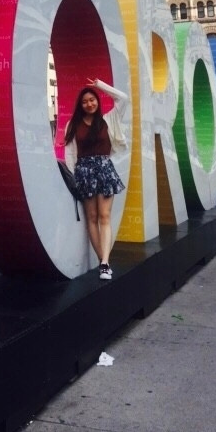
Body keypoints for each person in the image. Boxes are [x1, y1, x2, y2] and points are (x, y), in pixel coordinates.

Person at [64, 77, 128, 280]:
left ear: (97, 101)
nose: (89, 104)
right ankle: (104, 262)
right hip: (84, 172)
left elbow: (123, 98)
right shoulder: (73, 125)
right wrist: (75, 178)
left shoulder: (109, 119)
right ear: (80, 105)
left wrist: (100, 86)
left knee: (104, 216)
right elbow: (70, 155)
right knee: (91, 218)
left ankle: (104, 262)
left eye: (92, 100)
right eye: (85, 101)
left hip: (104, 169)